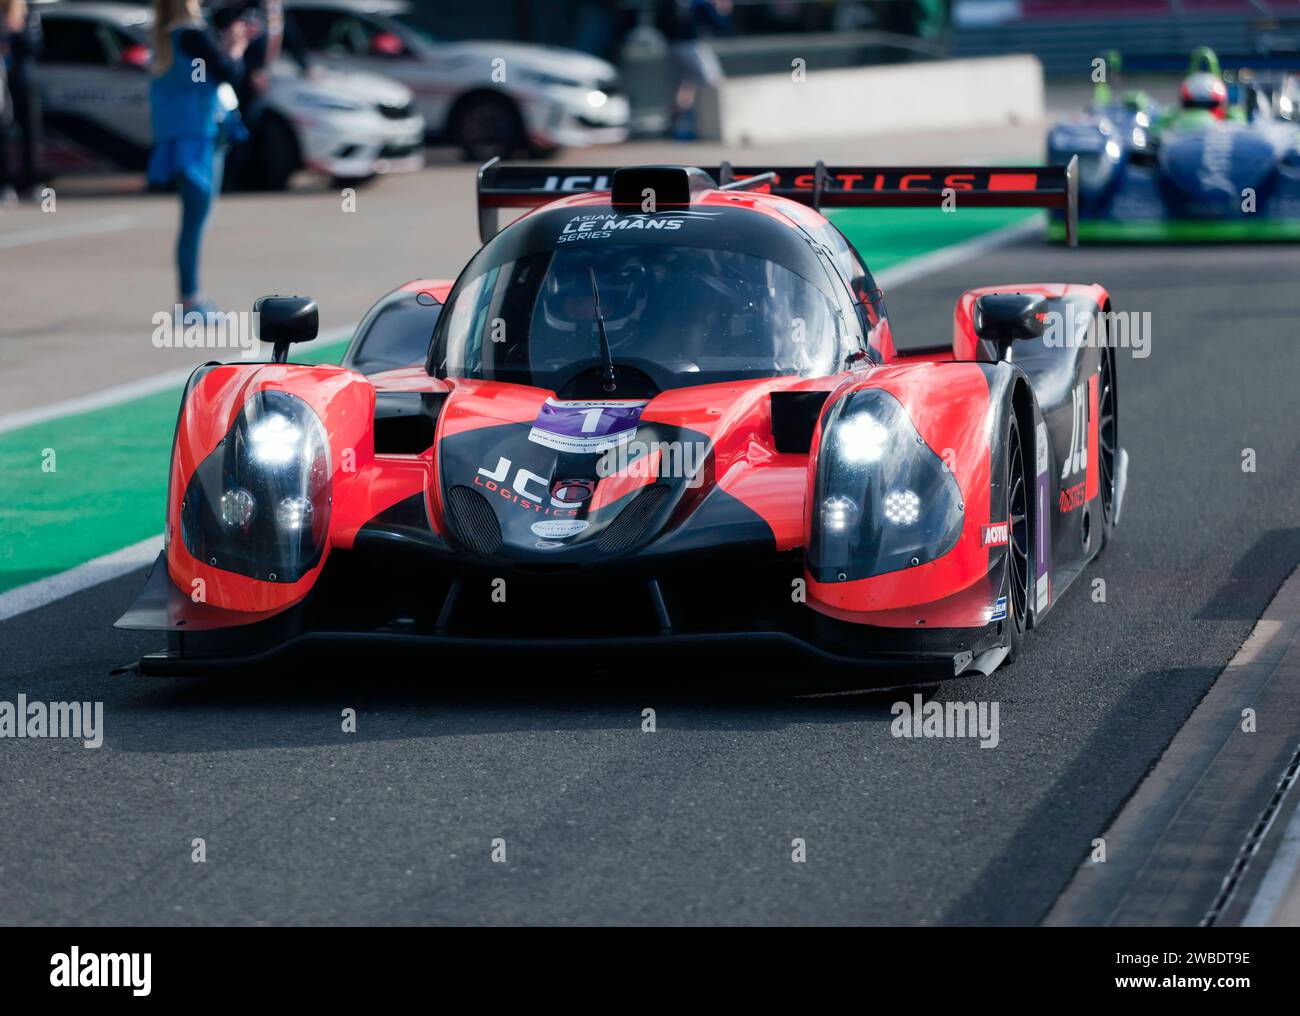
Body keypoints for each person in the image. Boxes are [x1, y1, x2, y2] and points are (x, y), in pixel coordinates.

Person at [148, 0, 248, 316]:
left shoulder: (167, 35)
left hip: (180, 135)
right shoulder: (190, 34)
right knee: (196, 220)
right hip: (198, 136)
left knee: (193, 219)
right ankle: (191, 299)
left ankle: (190, 295)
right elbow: (228, 71)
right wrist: (236, 46)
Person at [0, 0, 43, 207]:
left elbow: (35, 45)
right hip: (1, 82)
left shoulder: (28, 14)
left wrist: (15, 30)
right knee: (3, 134)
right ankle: (5, 185)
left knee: (30, 133)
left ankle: (31, 183)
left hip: (22, 82)